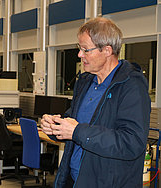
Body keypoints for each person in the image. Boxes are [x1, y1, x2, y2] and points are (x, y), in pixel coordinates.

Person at [41, 17, 151, 188]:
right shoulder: (85, 81)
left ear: (107, 50)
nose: (79, 55)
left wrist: (77, 131)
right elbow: (73, 121)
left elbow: (132, 143)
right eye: (79, 48)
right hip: (74, 179)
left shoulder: (131, 86)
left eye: (86, 50)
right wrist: (55, 126)